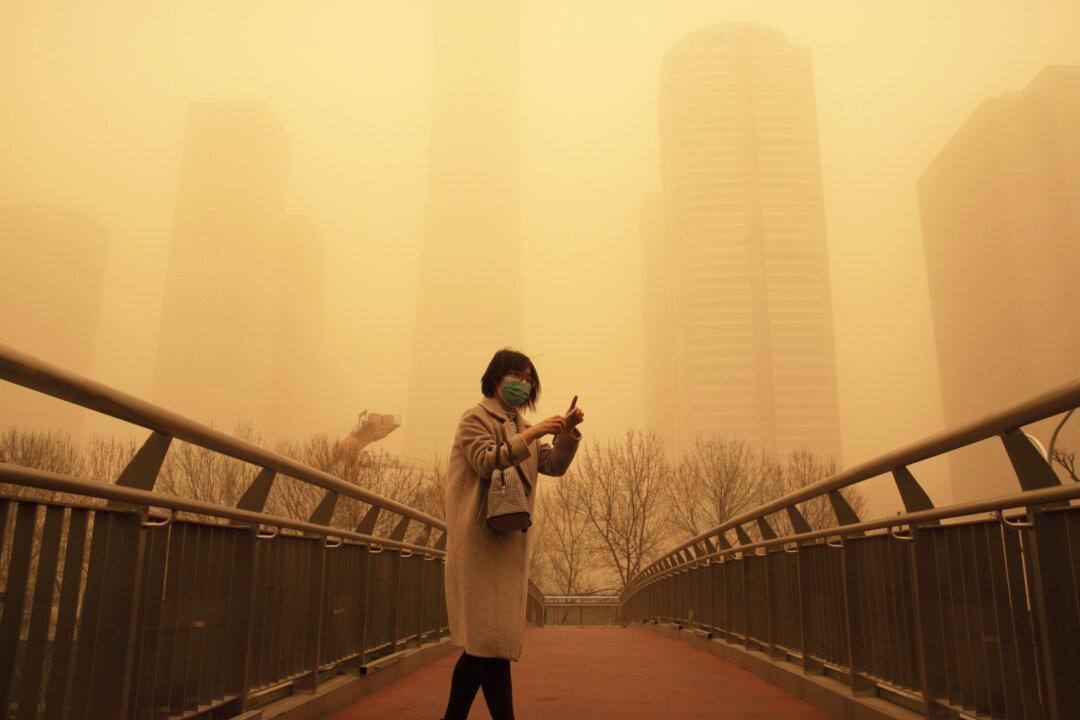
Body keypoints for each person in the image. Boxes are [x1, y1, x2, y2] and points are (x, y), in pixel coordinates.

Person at [440, 348, 584, 720]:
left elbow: (551, 465)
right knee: (490, 643)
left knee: (486, 644)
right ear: (496, 376)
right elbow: (488, 461)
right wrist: (535, 431)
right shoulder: (474, 419)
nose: (524, 383)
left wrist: (566, 435)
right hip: (479, 544)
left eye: (529, 378)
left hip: (508, 542)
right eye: (516, 375)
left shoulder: (521, 427)